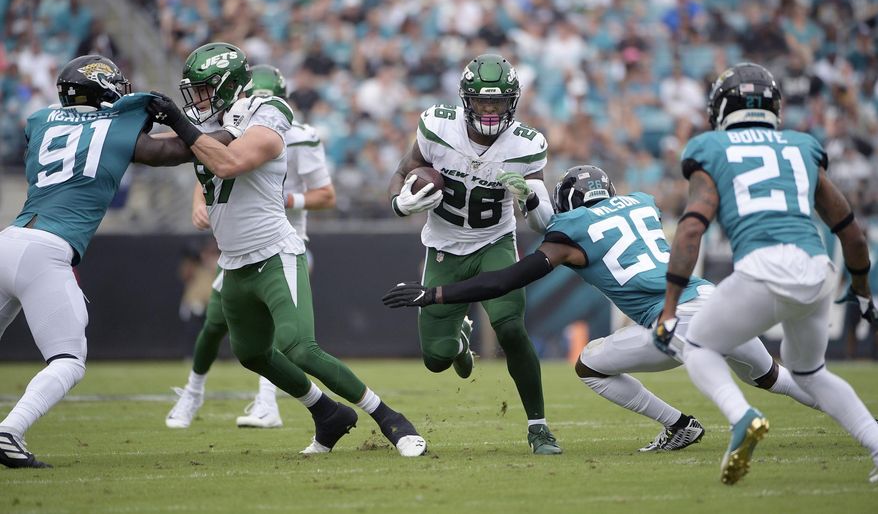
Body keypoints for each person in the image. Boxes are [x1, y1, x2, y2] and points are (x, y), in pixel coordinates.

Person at [384, 165, 820, 452]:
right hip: (716, 300)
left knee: (590, 365)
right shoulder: (642, 203)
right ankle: (864, 422)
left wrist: (434, 295)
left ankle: (680, 424)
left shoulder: (569, 233)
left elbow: (505, 279)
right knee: (773, 376)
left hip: (677, 322)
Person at [149, 42, 426, 457]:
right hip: (236, 261)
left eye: (205, 90)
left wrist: (178, 122)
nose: (198, 100)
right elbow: (172, 152)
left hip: (275, 252)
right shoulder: (207, 123)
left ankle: (390, 419)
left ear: (228, 86)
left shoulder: (269, 111)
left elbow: (227, 162)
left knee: (299, 347)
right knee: (251, 354)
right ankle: (327, 415)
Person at [656, 62, 878, 485]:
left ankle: (742, 417)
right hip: (817, 271)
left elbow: (691, 228)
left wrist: (669, 309)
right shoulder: (800, 146)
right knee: (810, 373)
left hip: (764, 268)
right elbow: (850, 230)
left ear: (720, 109)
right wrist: (864, 293)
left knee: (698, 345)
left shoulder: (709, 148)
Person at [0, 55, 197, 468]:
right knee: (69, 359)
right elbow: (176, 152)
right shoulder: (118, 126)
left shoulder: (39, 120)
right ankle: (8, 432)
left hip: (10, 239)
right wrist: (179, 119)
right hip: (47, 251)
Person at [388, 53, 560, 455]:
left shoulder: (527, 145)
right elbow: (403, 170)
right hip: (444, 246)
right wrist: (399, 203)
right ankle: (460, 341)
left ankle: (539, 428)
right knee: (435, 358)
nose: (488, 109)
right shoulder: (437, 126)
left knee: (511, 328)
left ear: (511, 102)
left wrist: (529, 199)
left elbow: (542, 224)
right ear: (466, 99)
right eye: (482, 101)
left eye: (497, 102)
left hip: (495, 242)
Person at [167, 62, 337, 430]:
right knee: (214, 324)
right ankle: (193, 393)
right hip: (240, 245)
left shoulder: (297, 134)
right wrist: (198, 203)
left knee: (284, 332)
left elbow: (326, 195)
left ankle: (267, 402)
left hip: (283, 240)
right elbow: (210, 168)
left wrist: (287, 200)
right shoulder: (227, 127)